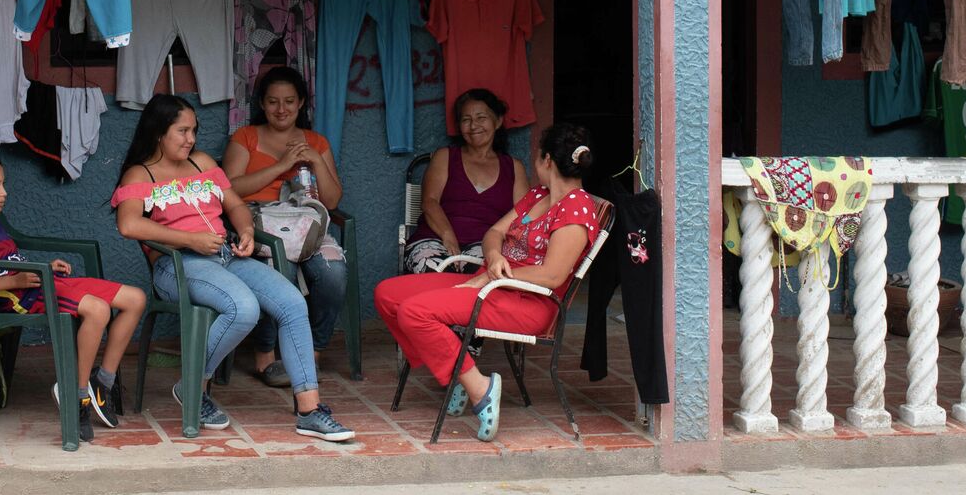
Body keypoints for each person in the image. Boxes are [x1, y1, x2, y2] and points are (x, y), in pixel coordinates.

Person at [111, 94, 356, 441]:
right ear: (159, 132)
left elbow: (236, 205)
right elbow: (129, 225)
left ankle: (309, 410)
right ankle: (195, 386)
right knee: (243, 308)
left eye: (193, 130)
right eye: (181, 131)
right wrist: (188, 239)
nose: (190, 139)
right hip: (176, 266)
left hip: (225, 257)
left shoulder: (202, 163)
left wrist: (244, 230)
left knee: (291, 303)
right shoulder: (142, 173)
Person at [373, 122, 602, 442]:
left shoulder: (576, 208)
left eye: (537, 156)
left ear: (547, 160)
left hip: (530, 302)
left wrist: (490, 277)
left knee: (414, 312)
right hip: (499, 284)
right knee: (387, 294)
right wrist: (494, 258)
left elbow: (552, 275)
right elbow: (494, 232)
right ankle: (458, 371)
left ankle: (478, 387)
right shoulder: (539, 194)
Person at [0, 149, 147, 444]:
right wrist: (17, 279)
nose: (4, 193)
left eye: (3, 184)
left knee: (135, 298)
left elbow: (10, 259)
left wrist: (43, 268)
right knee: (99, 310)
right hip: (20, 298)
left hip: (37, 282)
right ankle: (76, 395)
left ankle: (102, 382)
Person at [222, 66, 347, 388]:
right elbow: (230, 189)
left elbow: (332, 201)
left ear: (301, 103)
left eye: (289, 101)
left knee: (333, 274)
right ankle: (265, 354)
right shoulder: (246, 137)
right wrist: (282, 166)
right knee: (280, 272)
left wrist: (315, 161)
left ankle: (312, 353)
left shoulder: (316, 142)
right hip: (258, 220)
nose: (281, 109)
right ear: (262, 104)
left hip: (307, 223)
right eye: (273, 101)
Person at [404, 88, 529, 275]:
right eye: (466, 120)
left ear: (498, 121)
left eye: (481, 118)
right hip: (436, 239)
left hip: (486, 246)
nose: (473, 126)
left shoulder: (513, 167)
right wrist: (448, 236)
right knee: (435, 272)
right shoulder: (445, 157)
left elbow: (522, 217)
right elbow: (429, 202)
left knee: (483, 277)